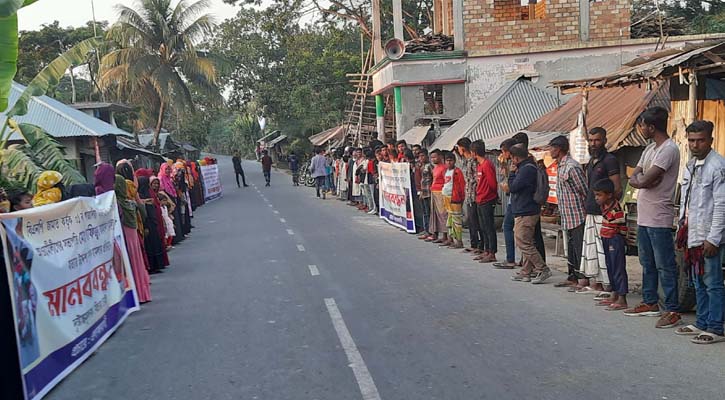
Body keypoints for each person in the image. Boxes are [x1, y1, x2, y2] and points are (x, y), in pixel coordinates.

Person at [624, 107, 681, 328]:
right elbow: (635, 177)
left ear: (651, 126)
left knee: (665, 264)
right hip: (644, 216)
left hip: (659, 216)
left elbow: (645, 179)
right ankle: (650, 302)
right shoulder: (649, 149)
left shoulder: (668, 150)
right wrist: (642, 179)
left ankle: (672, 308)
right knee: (646, 262)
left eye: (642, 125)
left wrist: (642, 180)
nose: (641, 129)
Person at [674, 120, 725, 343]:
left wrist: (713, 238)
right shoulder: (690, 165)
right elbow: (687, 202)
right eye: (691, 140)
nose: (695, 145)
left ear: (710, 140)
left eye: (700, 140)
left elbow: (721, 205)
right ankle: (702, 322)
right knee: (697, 281)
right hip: (692, 234)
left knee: (713, 283)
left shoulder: (718, 166)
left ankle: (715, 327)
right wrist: (681, 229)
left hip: (709, 236)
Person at [571, 127, 622, 296]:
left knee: (603, 252)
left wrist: (608, 210)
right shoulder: (592, 161)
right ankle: (597, 285)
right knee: (592, 250)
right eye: (591, 140)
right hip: (591, 211)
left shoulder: (610, 160)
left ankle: (609, 287)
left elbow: (617, 189)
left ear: (604, 141)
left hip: (604, 214)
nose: (593, 144)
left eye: (597, 140)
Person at [547, 135, 589, 292]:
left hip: (577, 214)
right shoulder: (560, 166)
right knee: (571, 248)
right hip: (566, 215)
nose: (550, 150)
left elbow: (584, 190)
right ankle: (572, 276)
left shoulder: (572, 167)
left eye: (551, 147)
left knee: (579, 247)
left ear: (558, 149)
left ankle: (582, 279)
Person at [509, 144, 551, 284]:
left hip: (526, 210)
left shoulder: (526, 170)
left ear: (515, 158)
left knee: (523, 241)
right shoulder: (527, 167)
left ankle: (542, 268)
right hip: (526, 208)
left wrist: (510, 174)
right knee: (526, 240)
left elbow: (513, 187)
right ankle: (526, 271)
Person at [113, 174, 151, 303]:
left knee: (129, 264)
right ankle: (142, 292)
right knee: (136, 261)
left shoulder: (115, 204)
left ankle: (134, 295)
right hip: (133, 235)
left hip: (125, 238)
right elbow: (143, 211)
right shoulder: (130, 202)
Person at [591, 178, 629, 311]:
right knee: (610, 266)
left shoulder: (616, 209)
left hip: (614, 239)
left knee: (617, 268)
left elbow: (622, 228)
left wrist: (621, 241)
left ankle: (622, 298)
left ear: (609, 195)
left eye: (599, 195)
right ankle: (614, 293)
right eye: (596, 195)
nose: (596, 198)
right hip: (607, 238)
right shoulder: (605, 206)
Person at [471, 141, 498, 263]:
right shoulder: (480, 165)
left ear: (474, 153)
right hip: (480, 198)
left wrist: (492, 196)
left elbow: (492, 183)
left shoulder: (487, 165)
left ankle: (492, 252)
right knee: (482, 226)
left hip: (487, 199)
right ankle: (486, 250)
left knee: (489, 226)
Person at [494, 139, 518, 269]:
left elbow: (513, 183)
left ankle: (511, 259)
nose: (503, 154)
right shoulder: (509, 163)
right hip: (513, 200)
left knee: (508, 227)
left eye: (504, 151)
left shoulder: (518, 164)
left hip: (517, 201)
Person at [138, 175, 169, 274]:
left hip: (149, 223)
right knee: (152, 245)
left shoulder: (143, 195)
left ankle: (153, 265)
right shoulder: (144, 195)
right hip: (150, 223)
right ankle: (156, 265)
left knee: (152, 245)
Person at [456, 138, 482, 255]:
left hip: (475, 194)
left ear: (462, 148)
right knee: (471, 221)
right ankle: (473, 244)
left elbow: (476, 179)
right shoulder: (465, 161)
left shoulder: (473, 161)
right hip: (468, 194)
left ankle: (479, 245)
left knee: (476, 221)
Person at [441, 152, 465, 248]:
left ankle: (458, 241)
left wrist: (461, 198)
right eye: (447, 160)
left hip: (455, 198)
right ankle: (451, 239)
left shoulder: (457, 172)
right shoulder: (445, 171)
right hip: (446, 197)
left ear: (454, 161)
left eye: (451, 160)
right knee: (450, 219)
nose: (449, 162)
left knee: (457, 220)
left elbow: (462, 185)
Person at [425, 149, 449, 244]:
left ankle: (446, 235)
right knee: (434, 215)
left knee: (443, 214)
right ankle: (436, 234)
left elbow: (446, 181)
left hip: (441, 192)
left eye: (435, 157)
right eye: (431, 158)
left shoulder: (444, 168)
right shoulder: (435, 168)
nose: (433, 159)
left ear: (440, 156)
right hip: (434, 191)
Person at [417, 149, 434, 239]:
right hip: (423, 192)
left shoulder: (430, 166)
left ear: (427, 156)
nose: (421, 158)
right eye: (419, 156)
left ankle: (431, 232)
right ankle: (426, 230)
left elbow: (433, 177)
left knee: (429, 213)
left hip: (429, 192)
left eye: (423, 156)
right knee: (425, 213)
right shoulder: (421, 167)